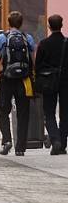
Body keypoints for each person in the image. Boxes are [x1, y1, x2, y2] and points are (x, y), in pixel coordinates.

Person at [0, 11, 36, 156]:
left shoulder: (1, 38)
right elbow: (33, 60)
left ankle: (6, 140)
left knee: (3, 111)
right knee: (23, 112)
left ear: (9, 23)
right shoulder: (27, 38)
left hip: (6, 79)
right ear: (21, 23)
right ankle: (20, 147)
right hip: (24, 80)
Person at [35, 14, 68, 155]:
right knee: (65, 114)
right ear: (61, 25)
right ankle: (62, 143)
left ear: (49, 26)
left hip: (49, 82)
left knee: (49, 112)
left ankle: (55, 140)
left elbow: (38, 66)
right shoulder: (67, 43)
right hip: (66, 81)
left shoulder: (43, 44)